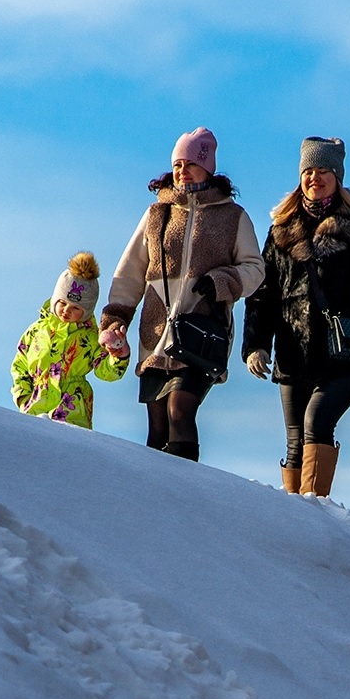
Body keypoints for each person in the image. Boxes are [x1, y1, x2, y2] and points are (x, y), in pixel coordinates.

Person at [242, 136, 350, 496]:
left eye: (323, 171)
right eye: (308, 171)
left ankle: (314, 516)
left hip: (346, 350)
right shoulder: (280, 230)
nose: (314, 178)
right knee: (293, 442)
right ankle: (293, 519)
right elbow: (262, 294)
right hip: (293, 350)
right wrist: (255, 345)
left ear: (337, 176)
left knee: (316, 423)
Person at [100, 127, 264, 462]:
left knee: (180, 410)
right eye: (177, 164)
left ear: (208, 167)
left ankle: (187, 498)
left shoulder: (233, 216)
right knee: (157, 427)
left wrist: (223, 280)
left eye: (190, 163)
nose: (182, 170)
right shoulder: (156, 214)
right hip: (155, 332)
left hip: (201, 331)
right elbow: (131, 270)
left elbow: (255, 269)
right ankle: (153, 502)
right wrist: (116, 317)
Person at [11, 251, 130, 429]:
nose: (66, 310)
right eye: (63, 303)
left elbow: (105, 371)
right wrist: (23, 396)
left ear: (86, 311)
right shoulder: (36, 331)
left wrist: (117, 355)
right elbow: (20, 365)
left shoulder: (90, 337)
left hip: (72, 411)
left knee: (67, 451)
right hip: (36, 406)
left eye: (75, 308)